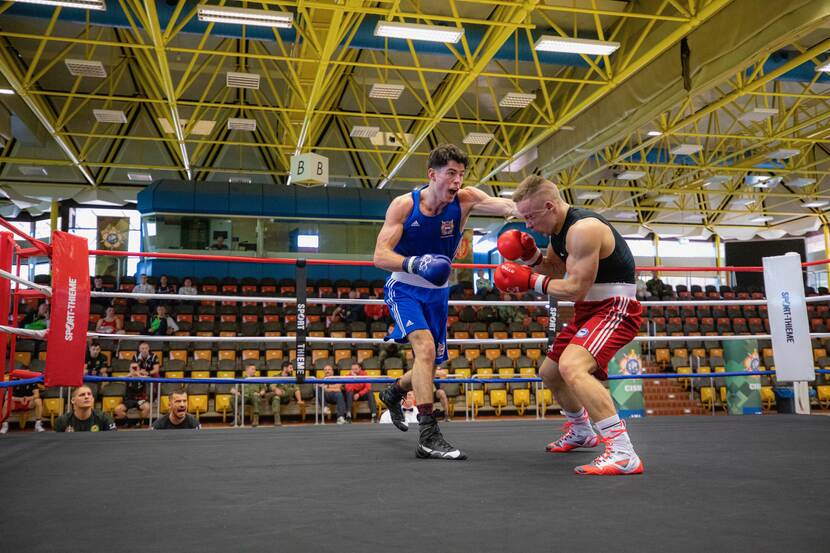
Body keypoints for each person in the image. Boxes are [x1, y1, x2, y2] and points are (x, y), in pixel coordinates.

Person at [374, 143, 518, 460]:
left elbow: (506, 205)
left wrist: (541, 208)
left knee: (431, 365)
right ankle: (428, 435)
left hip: (438, 292)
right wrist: (415, 263)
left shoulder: (465, 200)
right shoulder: (403, 206)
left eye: (461, 174)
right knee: (424, 350)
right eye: (451, 173)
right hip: (405, 287)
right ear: (432, 174)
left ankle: (394, 391)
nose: (456, 181)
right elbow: (380, 256)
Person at [493, 174, 644, 476]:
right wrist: (531, 256)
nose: (527, 226)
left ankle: (624, 453)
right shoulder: (559, 231)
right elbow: (556, 268)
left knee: (572, 367)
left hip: (615, 307)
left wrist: (530, 280)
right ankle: (582, 432)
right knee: (550, 373)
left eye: (530, 217)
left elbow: (574, 287)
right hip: (588, 310)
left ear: (549, 206)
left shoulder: (584, 229)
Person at [114, 342, 158, 426]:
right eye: (132, 368)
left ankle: (140, 422)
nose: (134, 370)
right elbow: (118, 378)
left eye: (136, 368)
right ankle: (129, 422)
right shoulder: (128, 377)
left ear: (139, 368)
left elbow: (149, 379)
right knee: (117, 410)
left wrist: (139, 375)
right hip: (129, 400)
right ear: (130, 369)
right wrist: (129, 375)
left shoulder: (142, 377)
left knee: (147, 407)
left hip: (140, 399)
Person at [231, 362, 267, 427]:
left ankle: (256, 419)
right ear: (247, 370)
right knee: (232, 398)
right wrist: (237, 392)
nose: (254, 371)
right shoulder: (241, 379)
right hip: (244, 397)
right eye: (252, 369)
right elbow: (232, 390)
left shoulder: (258, 379)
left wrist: (260, 393)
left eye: (255, 369)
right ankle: (237, 418)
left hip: (254, 396)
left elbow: (263, 390)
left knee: (256, 397)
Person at [270, 361, 304, 426]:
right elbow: (272, 386)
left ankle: (279, 393)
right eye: (290, 368)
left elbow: (296, 389)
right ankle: (277, 420)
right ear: (285, 368)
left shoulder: (292, 378)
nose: (292, 369)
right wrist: (275, 389)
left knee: (290, 389)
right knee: (276, 397)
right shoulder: (276, 377)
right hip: (278, 397)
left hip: (287, 398)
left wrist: (299, 400)